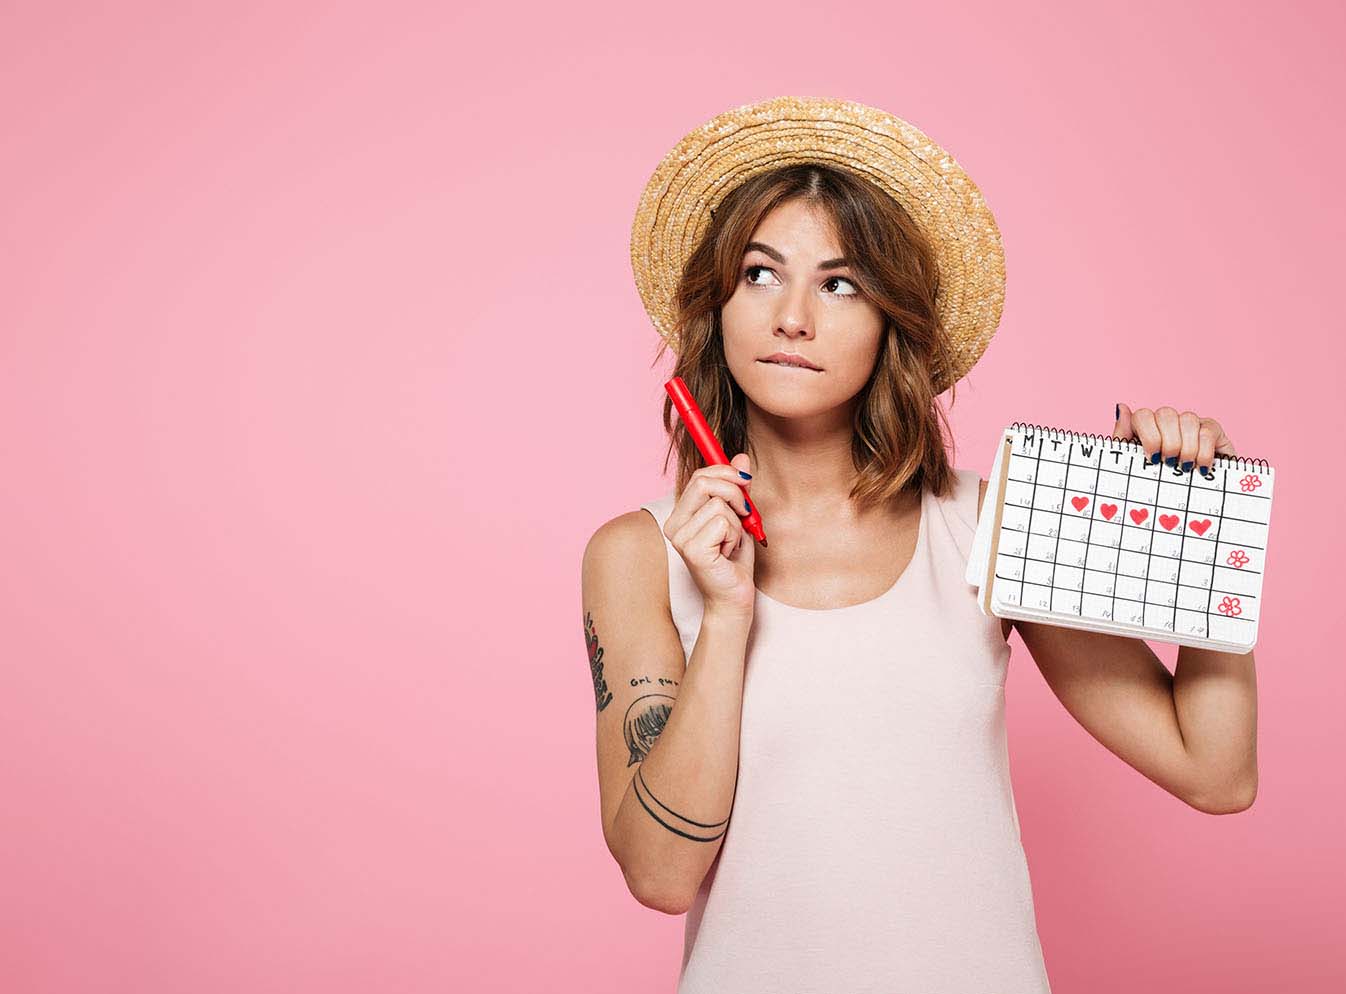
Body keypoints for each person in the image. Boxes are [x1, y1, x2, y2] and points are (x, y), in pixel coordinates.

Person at [580, 96, 1258, 993]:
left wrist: (1203, 536)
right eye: (758, 274)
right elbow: (661, 875)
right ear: (719, 303)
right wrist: (730, 613)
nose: (791, 317)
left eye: (840, 283)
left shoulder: (990, 522)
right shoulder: (640, 553)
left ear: (891, 325)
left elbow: (1214, 771)